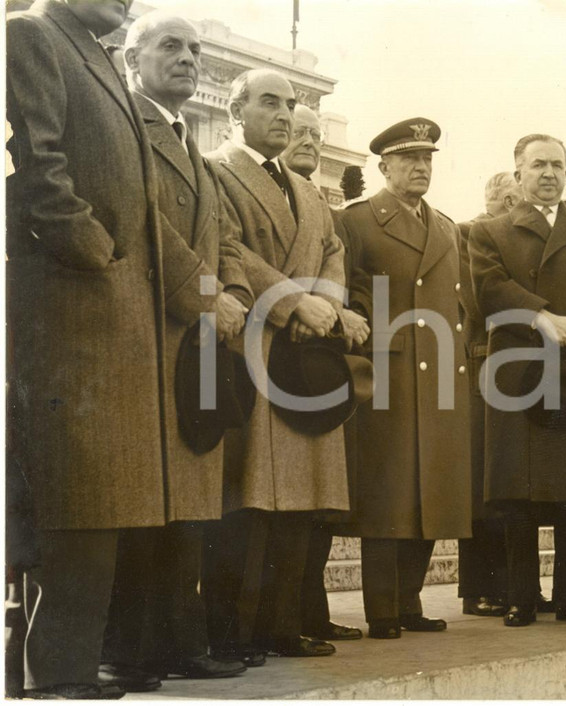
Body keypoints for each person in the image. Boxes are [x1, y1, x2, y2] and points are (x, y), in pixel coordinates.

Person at [7, 0, 175, 698]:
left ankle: (66, 672)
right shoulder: (31, 36)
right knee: (74, 500)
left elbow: (141, 202)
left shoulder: (99, 55)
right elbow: (33, 163)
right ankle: (53, 679)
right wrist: (95, 252)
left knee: (97, 505)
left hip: (113, 314)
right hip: (71, 309)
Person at [99, 12, 254, 692]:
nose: (189, 58)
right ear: (132, 59)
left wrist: (227, 298)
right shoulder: (122, 121)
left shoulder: (191, 142)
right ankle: (130, 649)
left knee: (188, 497)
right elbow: (140, 217)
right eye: (171, 46)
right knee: (143, 499)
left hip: (193, 340)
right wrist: (208, 299)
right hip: (143, 332)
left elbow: (215, 236)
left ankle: (175, 641)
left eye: (195, 48)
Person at [203, 69, 352, 661]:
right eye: (271, 102)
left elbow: (334, 251)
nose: (286, 115)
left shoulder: (308, 189)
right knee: (250, 498)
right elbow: (228, 248)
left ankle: (282, 625)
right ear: (236, 110)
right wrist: (298, 301)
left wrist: (330, 305)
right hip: (256, 348)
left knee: (301, 498)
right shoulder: (216, 169)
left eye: (291, 104)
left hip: (307, 355)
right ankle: (233, 633)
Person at [469, 134, 566, 628]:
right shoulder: (489, 231)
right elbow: (490, 288)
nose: (549, 174)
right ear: (518, 174)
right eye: (538, 165)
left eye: (558, 165)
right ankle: (521, 596)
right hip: (519, 369)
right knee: (519, 492)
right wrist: (544, 318)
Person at [335, 118, 471, 639]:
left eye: (428, 159)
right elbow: (345, 293)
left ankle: (410, 603)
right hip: (385, 372)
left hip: (437, 373)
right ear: (384, 166)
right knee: (387, 493)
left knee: (431, 491)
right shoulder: (359, 221)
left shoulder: (446, 227)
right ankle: (383, 610)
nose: (421, 167)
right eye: (410, 158)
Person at [282, 103, 368, 644]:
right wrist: (299, 304)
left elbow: (336, 264)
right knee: (287, 496)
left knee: (317, 500)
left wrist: (329, 307)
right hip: (276, 347)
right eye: (299, 131)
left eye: (317, 133)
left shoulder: (317, 201)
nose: (311, 141)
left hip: (317, 350)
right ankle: (284, 618)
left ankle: (310, 612)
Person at [457, 172, 520, 618]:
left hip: (508, 367)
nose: (518, 210)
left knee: (504, 484)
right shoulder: (473, 236)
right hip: (482, 364)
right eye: (510, 201)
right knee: (482, 487)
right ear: (492, 200)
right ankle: (478, 588)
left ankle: (506, 586)